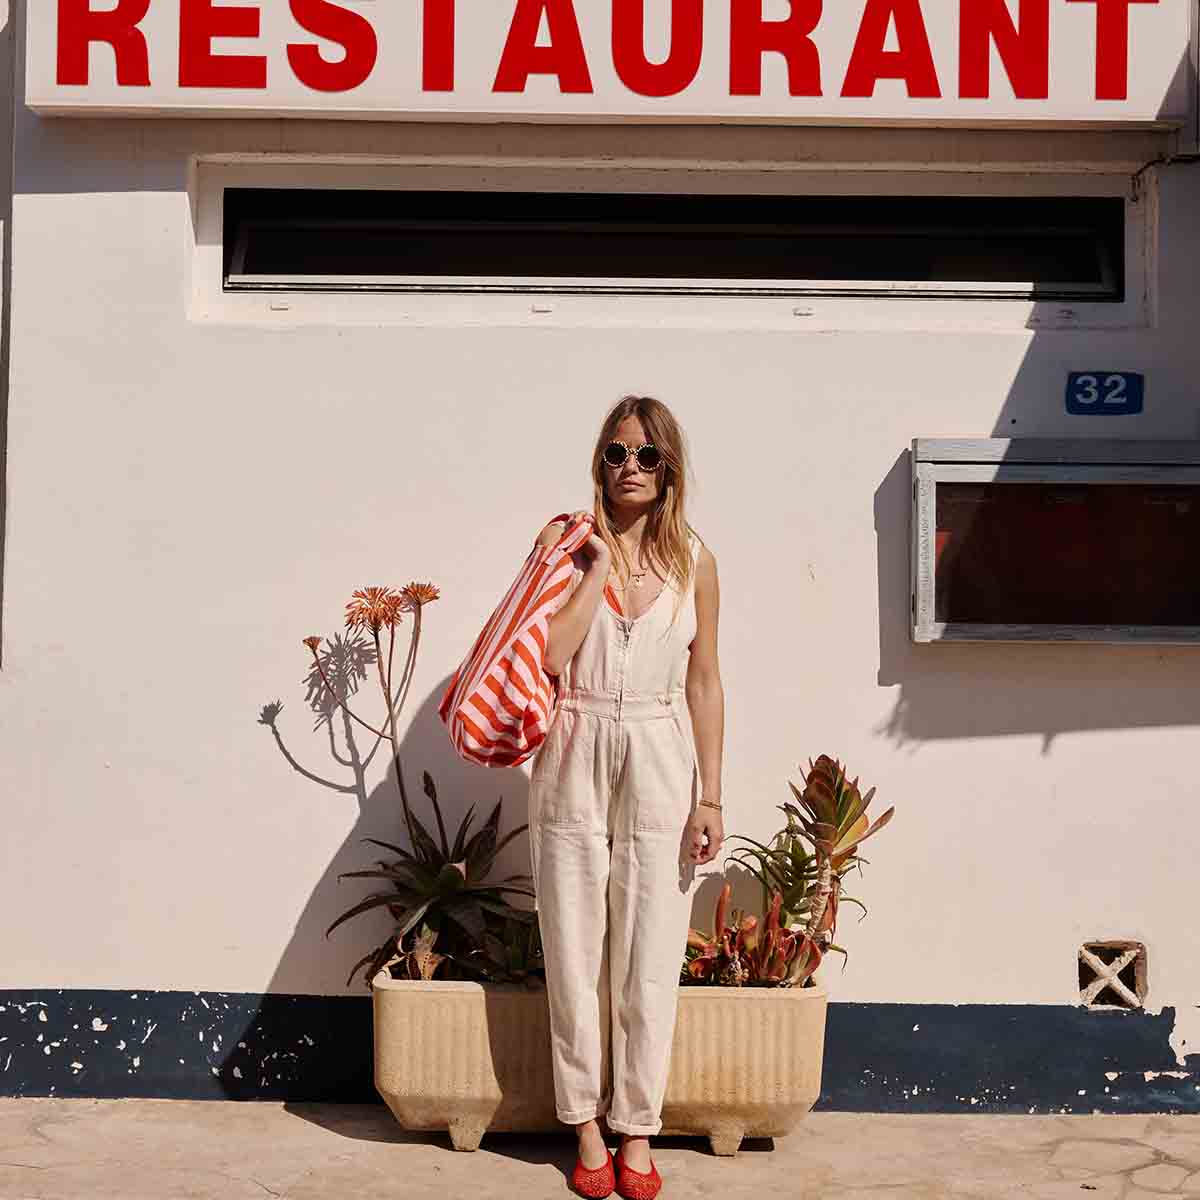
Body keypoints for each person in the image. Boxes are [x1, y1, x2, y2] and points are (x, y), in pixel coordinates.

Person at [529, 395, 725, 1199]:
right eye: (617, 454)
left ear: (669, 465)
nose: (631, 469)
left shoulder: (696, 560)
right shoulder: (567, 545)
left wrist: (710, 795)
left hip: (657, 744)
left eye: (647, 455)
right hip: (572, 741)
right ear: (599, 462)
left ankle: (637, 1126)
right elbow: (548, 655)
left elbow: (705, 678)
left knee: (649, 947)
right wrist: (598, 564)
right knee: (573, 942)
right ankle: (583, 1122)